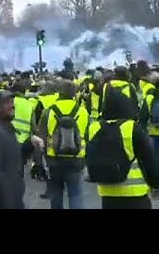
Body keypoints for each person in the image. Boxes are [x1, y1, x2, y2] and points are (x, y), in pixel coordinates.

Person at [87, 86, 159, 209]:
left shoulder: (94, 128)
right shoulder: (132, 127)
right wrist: (155, 184)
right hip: (134, 193)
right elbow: (148, 159)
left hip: (107, 192)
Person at [40, 80, 89, 209]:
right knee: (75, 194)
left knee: (55, 193)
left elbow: (42, 136)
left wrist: (42, 159)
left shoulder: (49, 111)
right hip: (76, 158)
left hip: (54, 159)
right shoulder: (82, 111)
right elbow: (88, 136)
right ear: (74, 94)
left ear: (59, 93)